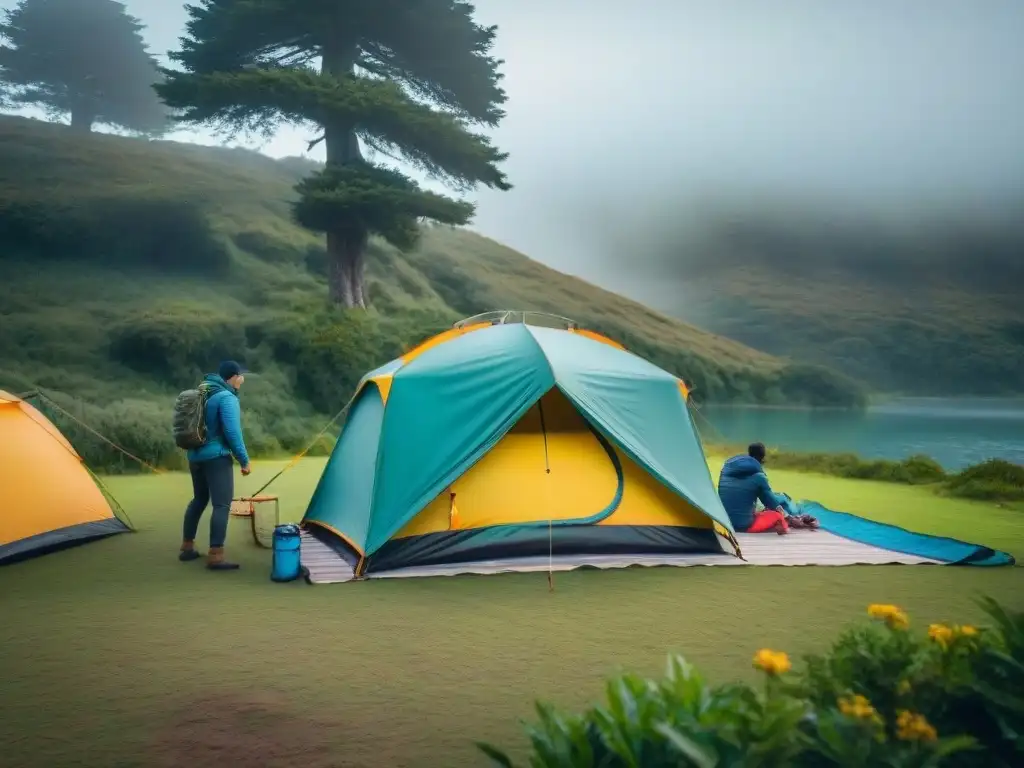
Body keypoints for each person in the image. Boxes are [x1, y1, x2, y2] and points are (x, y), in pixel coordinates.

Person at [179, 361, 251, 570]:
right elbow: (232, 432)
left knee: (199, 499)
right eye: (241, 376)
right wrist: (244, 460)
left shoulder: (204, 391)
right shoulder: (226, 398)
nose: (242, 380)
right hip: (216, 458)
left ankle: (187, 547)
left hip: (195, 456)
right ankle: (216, 555)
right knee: (221, 505)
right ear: (235, 377)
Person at [717, 442, 790, 535]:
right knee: (778, 516)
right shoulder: (759, 477)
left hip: (724, 523)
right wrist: (786, 515)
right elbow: (772, 503)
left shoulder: (725, 473)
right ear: (762, 458)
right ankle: (785, 529)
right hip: (744, 526)